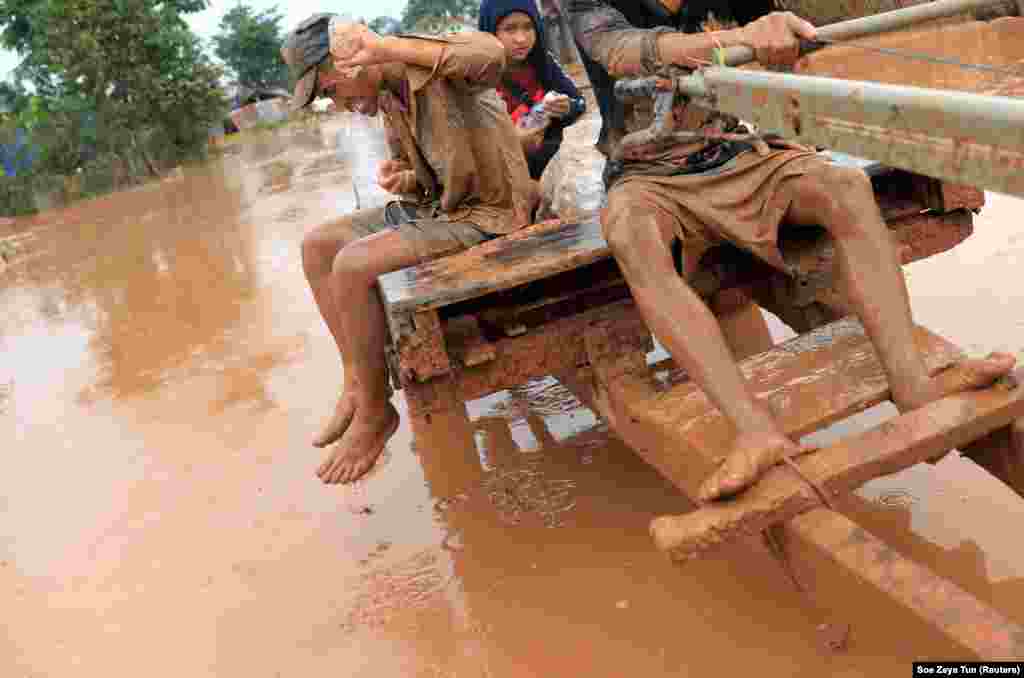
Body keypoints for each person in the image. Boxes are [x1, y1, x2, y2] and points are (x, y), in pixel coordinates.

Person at [564, 0, 1016, 501]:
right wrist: (744, 38)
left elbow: (785, 47)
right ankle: (755, 432)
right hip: (649, 174)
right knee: (630, 233)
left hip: (736, 153)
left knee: (844, 186)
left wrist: (788, 61)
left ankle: (913, 385)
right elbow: (622, 52)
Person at [283, 14, 537, 484]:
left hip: (488, 215)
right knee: (319, 247)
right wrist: (405, 175)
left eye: (329, 90)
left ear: (350, 62)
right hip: (440, 210)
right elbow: (424, 176)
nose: (336, 103)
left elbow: (491, 55)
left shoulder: (428, 63)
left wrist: (386, 46)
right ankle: (357, 377)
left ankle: (377, 412)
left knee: (353, 265)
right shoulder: (388, 99)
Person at [479, 0, 587, 179]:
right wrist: (514, 143)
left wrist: (567, 107)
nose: (521, 39)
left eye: (528, 27)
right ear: (490, 32)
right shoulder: (479, 79)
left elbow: (580, 102)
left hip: (554, 160)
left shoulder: (544, 63)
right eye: (509, 29)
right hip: (510, 174)